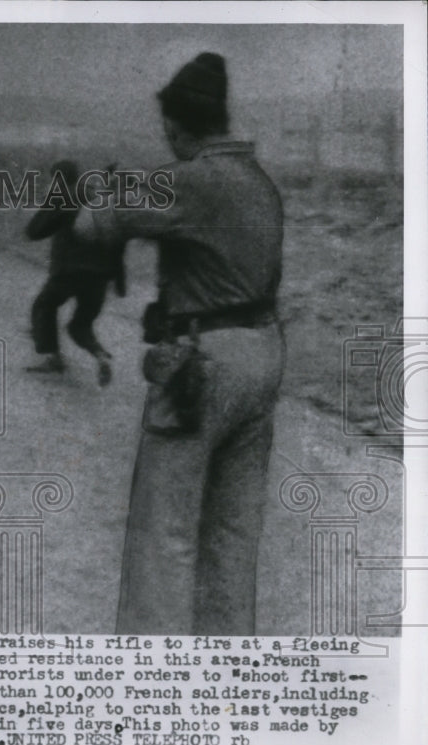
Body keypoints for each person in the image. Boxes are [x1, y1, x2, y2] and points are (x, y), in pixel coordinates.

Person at [98, 53, 285, 634]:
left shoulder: (188, 178)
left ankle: (153, 684)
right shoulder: (259, 182)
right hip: (263, 353)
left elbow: (98, 222)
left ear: (176, 126)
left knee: (165, 533)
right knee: (232, 535)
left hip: (205, 363)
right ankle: (228, 677)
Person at [25, 160, 126, 382]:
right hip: (100, 276)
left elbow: (34, 231)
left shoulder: (63, 196)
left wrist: (50, 200)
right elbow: (118, 241)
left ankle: (53, 358)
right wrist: (119, 281)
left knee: (44, 305)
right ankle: (101, 356)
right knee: (80, 325)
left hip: (68, 272)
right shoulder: (100, 199)